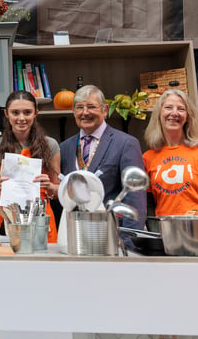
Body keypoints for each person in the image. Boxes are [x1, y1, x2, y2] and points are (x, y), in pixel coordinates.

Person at [59, 85, 146, 235]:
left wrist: (128, 244)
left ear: (105, 110)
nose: (85, 112)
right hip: (75, 238)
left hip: (112, 238)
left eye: (91, 107)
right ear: (73, 112)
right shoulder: (65, 147)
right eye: (79, 107)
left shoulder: (126, 143)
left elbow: (135, 198)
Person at [0, 91, 60, 241]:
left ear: (36, 113)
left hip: (40, 218)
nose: (21, 118)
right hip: (6, 220)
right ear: (6, 114)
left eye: (27, 112)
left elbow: (58, 191)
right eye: (15, 113)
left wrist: (49, 186)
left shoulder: (50, 145)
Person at [143, 89, 198, 218]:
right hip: (164, 234)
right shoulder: (147, 158)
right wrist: (159, 235)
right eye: (168, 107)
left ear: (188, 116)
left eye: (181, 109)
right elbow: (147, 205)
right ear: (159, 114)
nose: (174, 113)